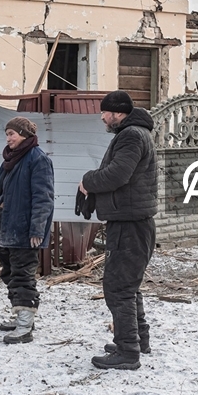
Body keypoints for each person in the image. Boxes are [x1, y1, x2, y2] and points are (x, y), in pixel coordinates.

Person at [77, 90, 158, 371]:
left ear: (118, 113)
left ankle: (127, 351)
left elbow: (117, 174)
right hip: (133, 220)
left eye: (105, 112)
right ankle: (138, 339)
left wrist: (88, 181)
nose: (101, 117)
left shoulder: (131, 135)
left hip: (129, 223)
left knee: (119, 287)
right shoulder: (135, 133)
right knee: (129, 284)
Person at [0, 116, 55, 344]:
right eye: (7, 134)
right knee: (10, 274)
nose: (8, 138)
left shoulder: (37, 159)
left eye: (12, 134)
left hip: (24, 231)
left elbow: (43, 197)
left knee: (22, 276)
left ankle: (25, 326)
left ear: (24, 135)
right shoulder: (12, 160)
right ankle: (21, 312)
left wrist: (37, 229)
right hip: (8, 228)